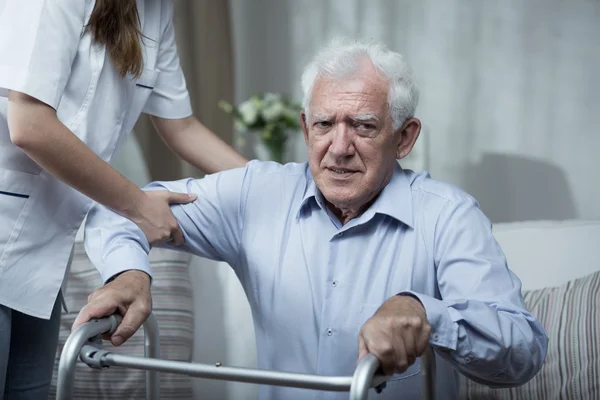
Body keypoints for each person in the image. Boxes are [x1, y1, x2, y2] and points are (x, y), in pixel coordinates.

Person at [75, 37, 548, 399]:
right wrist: (128, 273)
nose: (339, 149)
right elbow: (120, 208)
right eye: (324, 125)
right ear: (306, 127)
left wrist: (427, 314)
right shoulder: (256, 193)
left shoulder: (449, 215)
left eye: (363, 126)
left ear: (404, 138)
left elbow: (523, 351)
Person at [0, 0, 247, 398]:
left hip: (40, 262)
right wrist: (137, 205)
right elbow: (29, 125)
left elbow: (182, 127)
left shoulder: (155, 11)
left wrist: (282, 188)